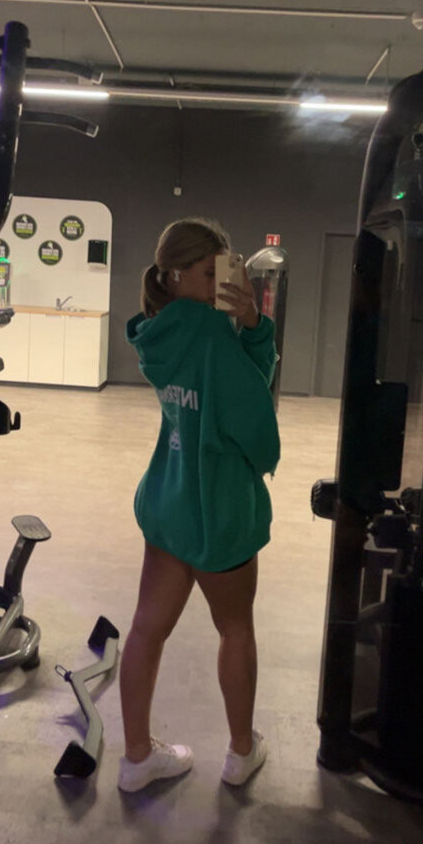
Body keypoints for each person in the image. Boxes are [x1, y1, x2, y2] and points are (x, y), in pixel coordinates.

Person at [118, 217, 280, 793]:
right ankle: (241, 753)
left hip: (170, 498)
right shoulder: (213, 334)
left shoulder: (160, 330)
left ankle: (137, 758)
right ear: (176, 274)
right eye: (210, 273)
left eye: (225, 272)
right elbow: (255, 418)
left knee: (146, 630)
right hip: (220, 509)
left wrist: (248, 327)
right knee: (235, 629)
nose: (220, 285)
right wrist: (255, 329)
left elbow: (228, 387)